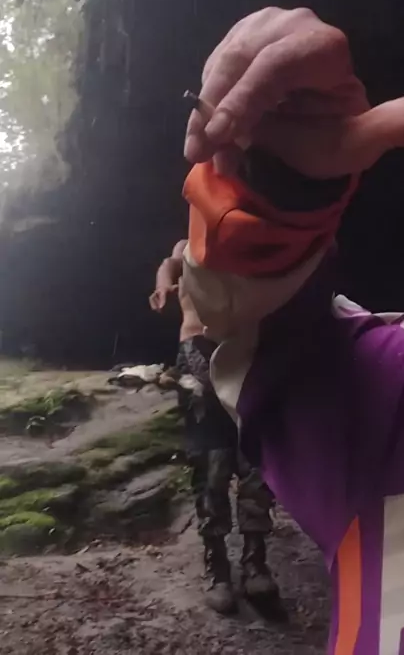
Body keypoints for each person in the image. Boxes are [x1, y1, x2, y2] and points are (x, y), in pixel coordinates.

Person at [179, 6, 404, 653]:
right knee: (216, 471)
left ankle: (250, 563)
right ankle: (225, 565)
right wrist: (280, 188)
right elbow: (263, 333)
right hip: (205, 385)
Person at [149, 241, 278, 615]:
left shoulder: (253, 239)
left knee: (254, 460)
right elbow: (170, 262)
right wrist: (163, 285)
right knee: (210, 463)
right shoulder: (189, 244)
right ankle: (217, 568)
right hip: (197, 352)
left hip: (246, 354)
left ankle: (255, 564)